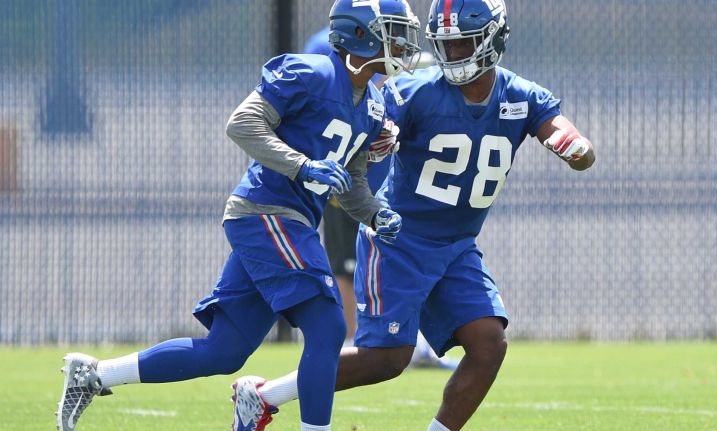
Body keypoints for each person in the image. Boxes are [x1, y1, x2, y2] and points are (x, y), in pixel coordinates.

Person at [54, 1, 421, 431]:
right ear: (361, 34)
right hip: (266, 211)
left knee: (224, 352)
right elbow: (243, 122)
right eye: (393, 32)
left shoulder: (374, 105)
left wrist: (376, 215)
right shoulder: (311, 72)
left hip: (289, 220)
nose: (402, 44)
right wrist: (302, 165)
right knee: (326, 325)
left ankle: (94, 375)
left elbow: (352, 183)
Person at [233, 0, 596, 430]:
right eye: (448, 45)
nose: (455, 55)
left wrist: (574, 146)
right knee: (386, 359)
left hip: (458, 246)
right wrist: (375, 141)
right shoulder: (417, 90)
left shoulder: (521, 95)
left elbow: (566, 135)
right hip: (400, 240)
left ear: (494, 38)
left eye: (465, 44)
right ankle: (264, 395)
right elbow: (369, 123)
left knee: (488, 344)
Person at [306, 25, 458, 368]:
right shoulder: (321, 45)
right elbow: (329, 99)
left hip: (388, 175)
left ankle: (412, 338)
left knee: (402, 255)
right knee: (345, 262)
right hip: (344, 172)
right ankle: (351, 336)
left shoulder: (396, 38)